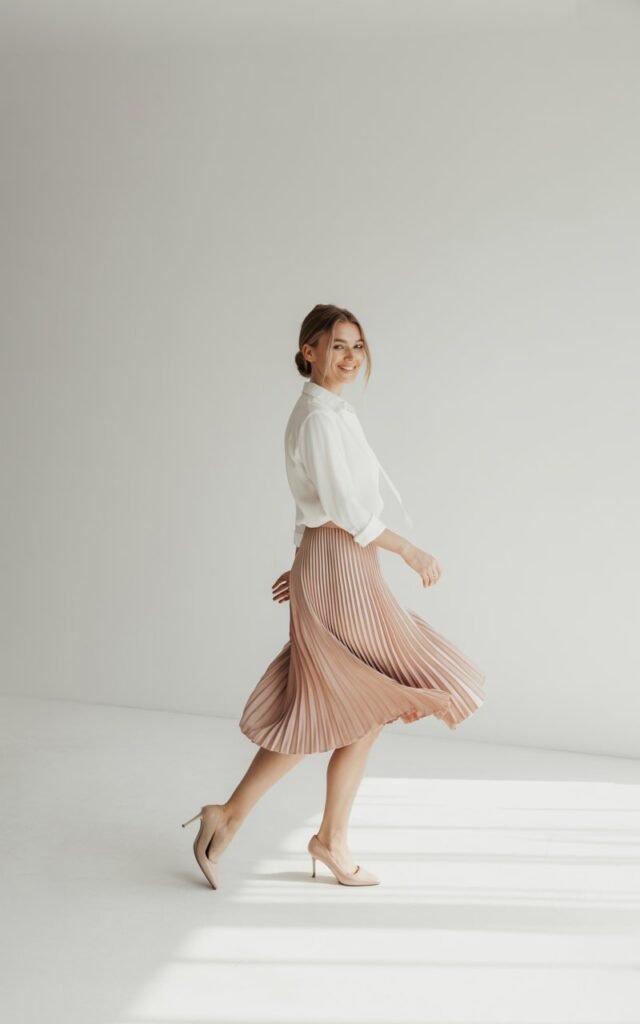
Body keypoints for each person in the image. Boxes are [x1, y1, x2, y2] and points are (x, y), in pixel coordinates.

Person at [182, 303, 486, 889]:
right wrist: (409, 550)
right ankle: (265, 822)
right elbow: (344, 509)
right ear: (308, 352)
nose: (350, 357)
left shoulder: (329, 413)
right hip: (344, 559)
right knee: (338, 703)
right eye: (337, 345)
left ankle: (321, 836)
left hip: (336, 561)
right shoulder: (320, 419)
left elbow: (313, 503)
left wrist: (301, 563)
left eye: (357, 346)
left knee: (359, 705)